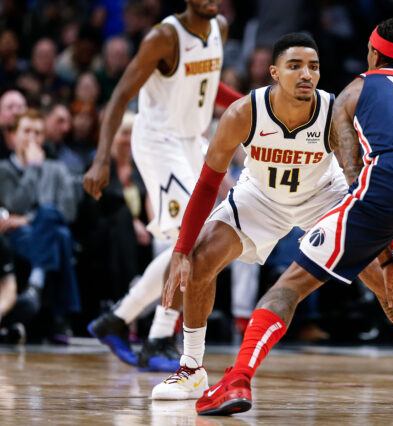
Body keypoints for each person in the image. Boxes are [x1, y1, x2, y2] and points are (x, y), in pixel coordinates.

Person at [164, 19, 393, 415]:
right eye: (295, 65)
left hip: (327, 194)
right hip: (264, 197)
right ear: (273, 72)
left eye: (314, 66)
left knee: (344, 281)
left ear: (371, 55)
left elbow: (359, 182)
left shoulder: (342, 101)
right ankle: (191, 367)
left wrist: (385, 257)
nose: (306, 74)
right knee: (200, 260)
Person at [83, 0, 242, 371]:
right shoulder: (164, 37)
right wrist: (102, 157)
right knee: (196, 238)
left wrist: (248, 105)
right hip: (158, 141)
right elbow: (121, 94)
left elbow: (206, 85)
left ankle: (119, 320)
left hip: (190, 139)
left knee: (198, 239)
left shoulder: (219, 28)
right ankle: (156, 337)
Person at [0, 109, 81, 343]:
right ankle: (60, 315)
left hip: (32, 230)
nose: (32, 138)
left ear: (44, 138)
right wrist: (33, 168)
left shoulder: (56, 170)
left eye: (38, 133)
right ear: (14, 136)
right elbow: (13, 204)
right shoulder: (3, 170)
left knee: (53, 220)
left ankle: (37, 284)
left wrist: (27, 218)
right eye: (26, 131)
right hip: (16, 239)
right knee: (60, 236)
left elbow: (68, 212)